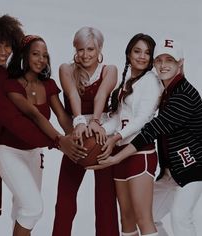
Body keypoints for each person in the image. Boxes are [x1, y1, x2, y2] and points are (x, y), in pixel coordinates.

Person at [0, 15, 84, 236]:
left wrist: (79, 130)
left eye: (7, 46)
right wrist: (58, 142)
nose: (3, 52)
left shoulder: (1, 74)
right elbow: (15, 120)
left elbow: (59, 116)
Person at [88, 38, 202, 236]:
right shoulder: (165, 89)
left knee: (180, 217)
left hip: (193, 167)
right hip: (172, 171)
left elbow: (151, 128)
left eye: (170, 60)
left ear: (180, 63)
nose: (163, 65)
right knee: (151, 216)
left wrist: (116, 155)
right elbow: (122, 118)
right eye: (160, 60)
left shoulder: (184, 94)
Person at [0, 34, 82, 236]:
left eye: (45, 55)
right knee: (33, 208)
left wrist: (77, 138)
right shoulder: (11, 85)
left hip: (34, 154)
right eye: (35, 54)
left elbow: (61, 115)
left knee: (24, 211)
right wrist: (61, 142)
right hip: (9, 152)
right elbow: (33, 115)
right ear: (24, 55)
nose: (41, 59)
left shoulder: (48, 84)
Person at [90, 33, 162, 236]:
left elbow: (141, 119)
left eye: (147, 53)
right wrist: (103, 130)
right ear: (128, 53)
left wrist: (115, 137)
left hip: (140, 153)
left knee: (143, 218)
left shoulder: (151, 81)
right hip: (121, 155)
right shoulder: (128, 81)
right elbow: (118, 117)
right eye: (137, 51)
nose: (142, 56)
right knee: (127, 219)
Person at [52, 26, 120, 236]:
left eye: (90, 49)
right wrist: (80, 122)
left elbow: (101, 96)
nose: (85, 54)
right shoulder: (66, 69)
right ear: (75, 48)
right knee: (65, 199)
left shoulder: (110, 70)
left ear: (99, 48)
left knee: (106, 200)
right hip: (78, 138)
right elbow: (72, 94)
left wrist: (96, 121)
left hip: (101, 138)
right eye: (80, 49)